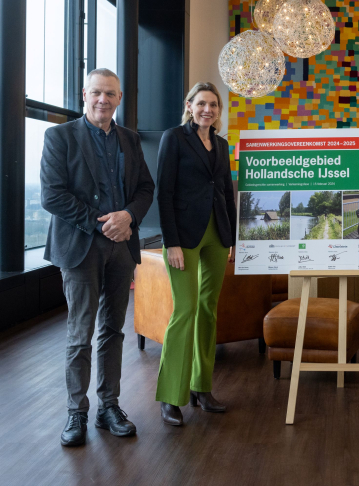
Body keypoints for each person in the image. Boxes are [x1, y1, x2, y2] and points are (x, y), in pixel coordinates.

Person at [40, 68, 155, 447]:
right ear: (84, 96)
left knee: (112, 330)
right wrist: (103, 223)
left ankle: (109, 406)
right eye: (96, 93)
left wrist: (130, 216)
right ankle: (77, 412)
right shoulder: (59, 136)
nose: (103, 99)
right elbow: (52, 195)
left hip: (122, 247)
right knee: (79, 332)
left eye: (110, 93)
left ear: (119, 98)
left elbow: (144, 188)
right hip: (81, 246)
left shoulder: (131, 140)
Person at [155, 82, 237, 426]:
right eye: (201, 103)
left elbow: (225, 191)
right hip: (183, 238)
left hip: (217, 234)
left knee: (208, 310)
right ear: (189, 106)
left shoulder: (221, 143)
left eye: (214, 105)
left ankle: (201, 387)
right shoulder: (173, 138)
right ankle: (171, 396)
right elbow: (164, 192)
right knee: (185, 311)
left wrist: (232, 237)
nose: (208, 109)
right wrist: (170, 241)